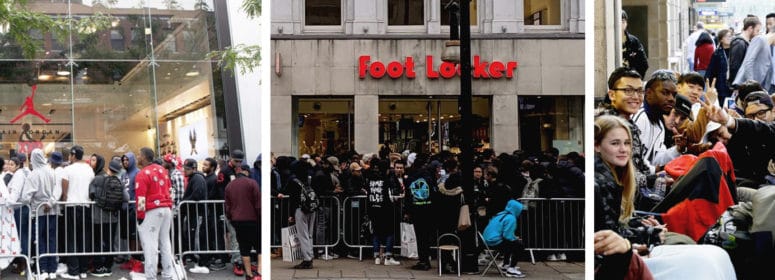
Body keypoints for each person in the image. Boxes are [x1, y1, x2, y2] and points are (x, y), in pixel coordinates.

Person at [594, 115, 736, 279]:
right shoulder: (599, 183)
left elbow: (616, 225)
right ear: (597, 146)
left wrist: (641, 225)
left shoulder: (615, 176)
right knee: (706, 259)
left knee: (716, 255)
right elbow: (607, 241)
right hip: (622, 262)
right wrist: (648, 233)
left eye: (627, 143)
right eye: (615, 143)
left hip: (632, 247)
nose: (623, 149)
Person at [134, 147, 174, 280]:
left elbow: (140, 198)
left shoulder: (142, 174)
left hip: (152, 210)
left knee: (150, 245)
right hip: (166, 208)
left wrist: (140, 216)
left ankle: (151, 276)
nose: (137, 158)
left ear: (144, 157)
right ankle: (168, 274)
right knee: (165, 242)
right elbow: (170, 189)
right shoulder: (163, 170)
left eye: (139, 155)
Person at [19, 149, 58, 278]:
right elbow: (58, 190)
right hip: (53, 210)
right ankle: (52, 269)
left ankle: (42, 269)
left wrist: (35, 202)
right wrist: (50, 203)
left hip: (38, 211)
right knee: (51, 239)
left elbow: (25, 197)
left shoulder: (33, 174)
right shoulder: (52, 171)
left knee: (40, 240)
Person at [88, 158, 128, 277]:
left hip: (98, 217)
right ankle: (108, 267)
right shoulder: (119, 181)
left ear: (108, 167)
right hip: (113, 217)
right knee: (109, 241)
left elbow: (91, 194)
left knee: (97, 242)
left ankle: (98, 267)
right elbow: (126, 197)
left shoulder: (97, 179)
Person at [60, 145, 95, 280]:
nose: (69, 157)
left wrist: (64, 201)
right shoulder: (89, 170)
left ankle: (73, 271)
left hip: (71, 206)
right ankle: (83, 270)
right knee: (84, 238)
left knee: (72, 238)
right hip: (86, 206)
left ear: (73, 155)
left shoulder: (67, 169)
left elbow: (64, 192)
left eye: (70, 155)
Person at [224, 163, 261, 280]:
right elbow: (258, 204)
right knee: (259, 246)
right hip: (253, 219)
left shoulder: (229, 186)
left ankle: (249, 274)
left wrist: (232, 219)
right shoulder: (252, 183)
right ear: (246, 172)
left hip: (238, 221)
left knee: (244, 248)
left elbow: (228, 207)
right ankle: (260, 273)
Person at [365, 159, 400, 266]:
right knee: (390, 232)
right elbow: (393, 194)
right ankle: (388, 257)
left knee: (376, 233)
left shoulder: (371, 179)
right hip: (386, 209)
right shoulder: (386, 180)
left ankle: (376, 257)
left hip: (373, 207)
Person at [483, 199, 526, 278]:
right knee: (519, 245)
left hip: (487, 240)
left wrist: (513, 238)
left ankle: (505, 264)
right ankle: (511, 269)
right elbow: (507, 236)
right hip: (494, 242)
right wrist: (515, 239)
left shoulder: (500, 214)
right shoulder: (511, 218)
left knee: (510, 243)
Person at [182, 158, 211, 274]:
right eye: (184, 168)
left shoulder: (197, 178)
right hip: (194, 213)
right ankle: (198, 261)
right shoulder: (194, 178)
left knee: (197, 238)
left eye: (187, 169)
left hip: (197, 213)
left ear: (194, 169)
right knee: (194, 236)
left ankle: (200, 262)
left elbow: (197, 195)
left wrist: (183, 202)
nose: (185, 171)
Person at [286, 160, 316, 269]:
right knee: (309, 234)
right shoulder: (309, 178)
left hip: (300, 209)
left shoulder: (293, 180)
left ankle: (307, 259)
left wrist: (291, 214)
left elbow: (292, 199)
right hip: (312, 208)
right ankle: (310, 255)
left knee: (302, 235)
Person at [729, 16, 762, 90]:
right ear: (750, 28)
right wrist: (737, 86)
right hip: (738, 86)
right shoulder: (739, 43)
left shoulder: (744, 42)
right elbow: (735, 66)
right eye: (757, 30)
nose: (758, 34)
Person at [705, 29, 733, 105]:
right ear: (721, 39)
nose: (730, 38)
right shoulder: (717, 53)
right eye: (727, 36)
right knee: (723, 106)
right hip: (722, 86)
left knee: (732, 107)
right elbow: (711, 70)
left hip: (733, 85)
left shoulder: (735, 51)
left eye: (731, 36)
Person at [621, 10, 648, 77]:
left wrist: (635, 77)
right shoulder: (609, 41)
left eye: (623, 21)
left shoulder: (633, 41)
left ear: (626, 23)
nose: (621, 24)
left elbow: (643, 63)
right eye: (619, 21)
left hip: (632, 78)